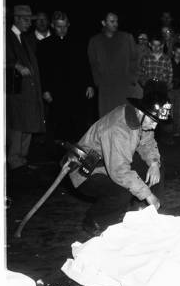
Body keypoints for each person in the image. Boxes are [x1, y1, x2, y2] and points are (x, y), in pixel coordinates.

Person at [69, 84, 171, 236]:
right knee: (121, 192)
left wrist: (154, 163)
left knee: (155, 170)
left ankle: (144, 214)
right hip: (86, 172)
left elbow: (147, 142)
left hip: (111, 164)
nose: (155, 126)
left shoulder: (140, 118)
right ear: (142, 111)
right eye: (153, 120)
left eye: (158, 121)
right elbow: (119, 172)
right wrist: (148, 194)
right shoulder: (117, 129)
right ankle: (95, 221)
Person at [37, 11, 95, 145]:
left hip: (77, 91)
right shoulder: (44, 45)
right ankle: (60, 160)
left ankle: (80, 157)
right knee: (60, 127)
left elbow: (85, 65)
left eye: (65, 26)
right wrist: (45, 90)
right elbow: (42, 70)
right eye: (59, 26)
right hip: (57, 93)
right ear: (52, 25)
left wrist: (90, 85)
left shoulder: (78, 42)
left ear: (69, 25)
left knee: (79, 126)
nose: (62, 30)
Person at [6, 4, 45, 171]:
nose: (29, 23)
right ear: (17, 19)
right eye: (26, 20)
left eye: (30, 20)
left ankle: (22, 159)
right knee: (17, 125)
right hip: (17, 91)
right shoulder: (6, 37)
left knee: (28, 123)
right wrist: (15, 65)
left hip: (29, 90)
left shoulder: (25, 39)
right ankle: (14, 159)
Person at [87, 12, 139, 117]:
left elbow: (135, 59)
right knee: (107, 118)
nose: (115, 24)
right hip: (106, 88)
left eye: (116, 21)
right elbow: (92, 63)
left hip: (123, 86)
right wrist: (98, 82)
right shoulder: (95, 41)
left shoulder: (126, 38)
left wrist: (132, 79)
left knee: (124, 117)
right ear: (103, 23)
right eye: (112, 21)